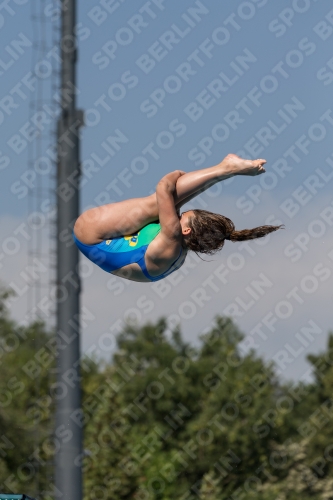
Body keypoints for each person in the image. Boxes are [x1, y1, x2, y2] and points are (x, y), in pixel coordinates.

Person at [73, 154, 283, 283]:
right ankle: (226, 170)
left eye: (183, 217)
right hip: (115, 243)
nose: (179, 216)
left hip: (91, 233)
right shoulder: (179, 244)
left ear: (187, 230)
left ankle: (226, 168)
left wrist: (176, 174)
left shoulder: (172, 235)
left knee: (155, 204)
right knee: (168, 205)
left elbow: (163, 187)